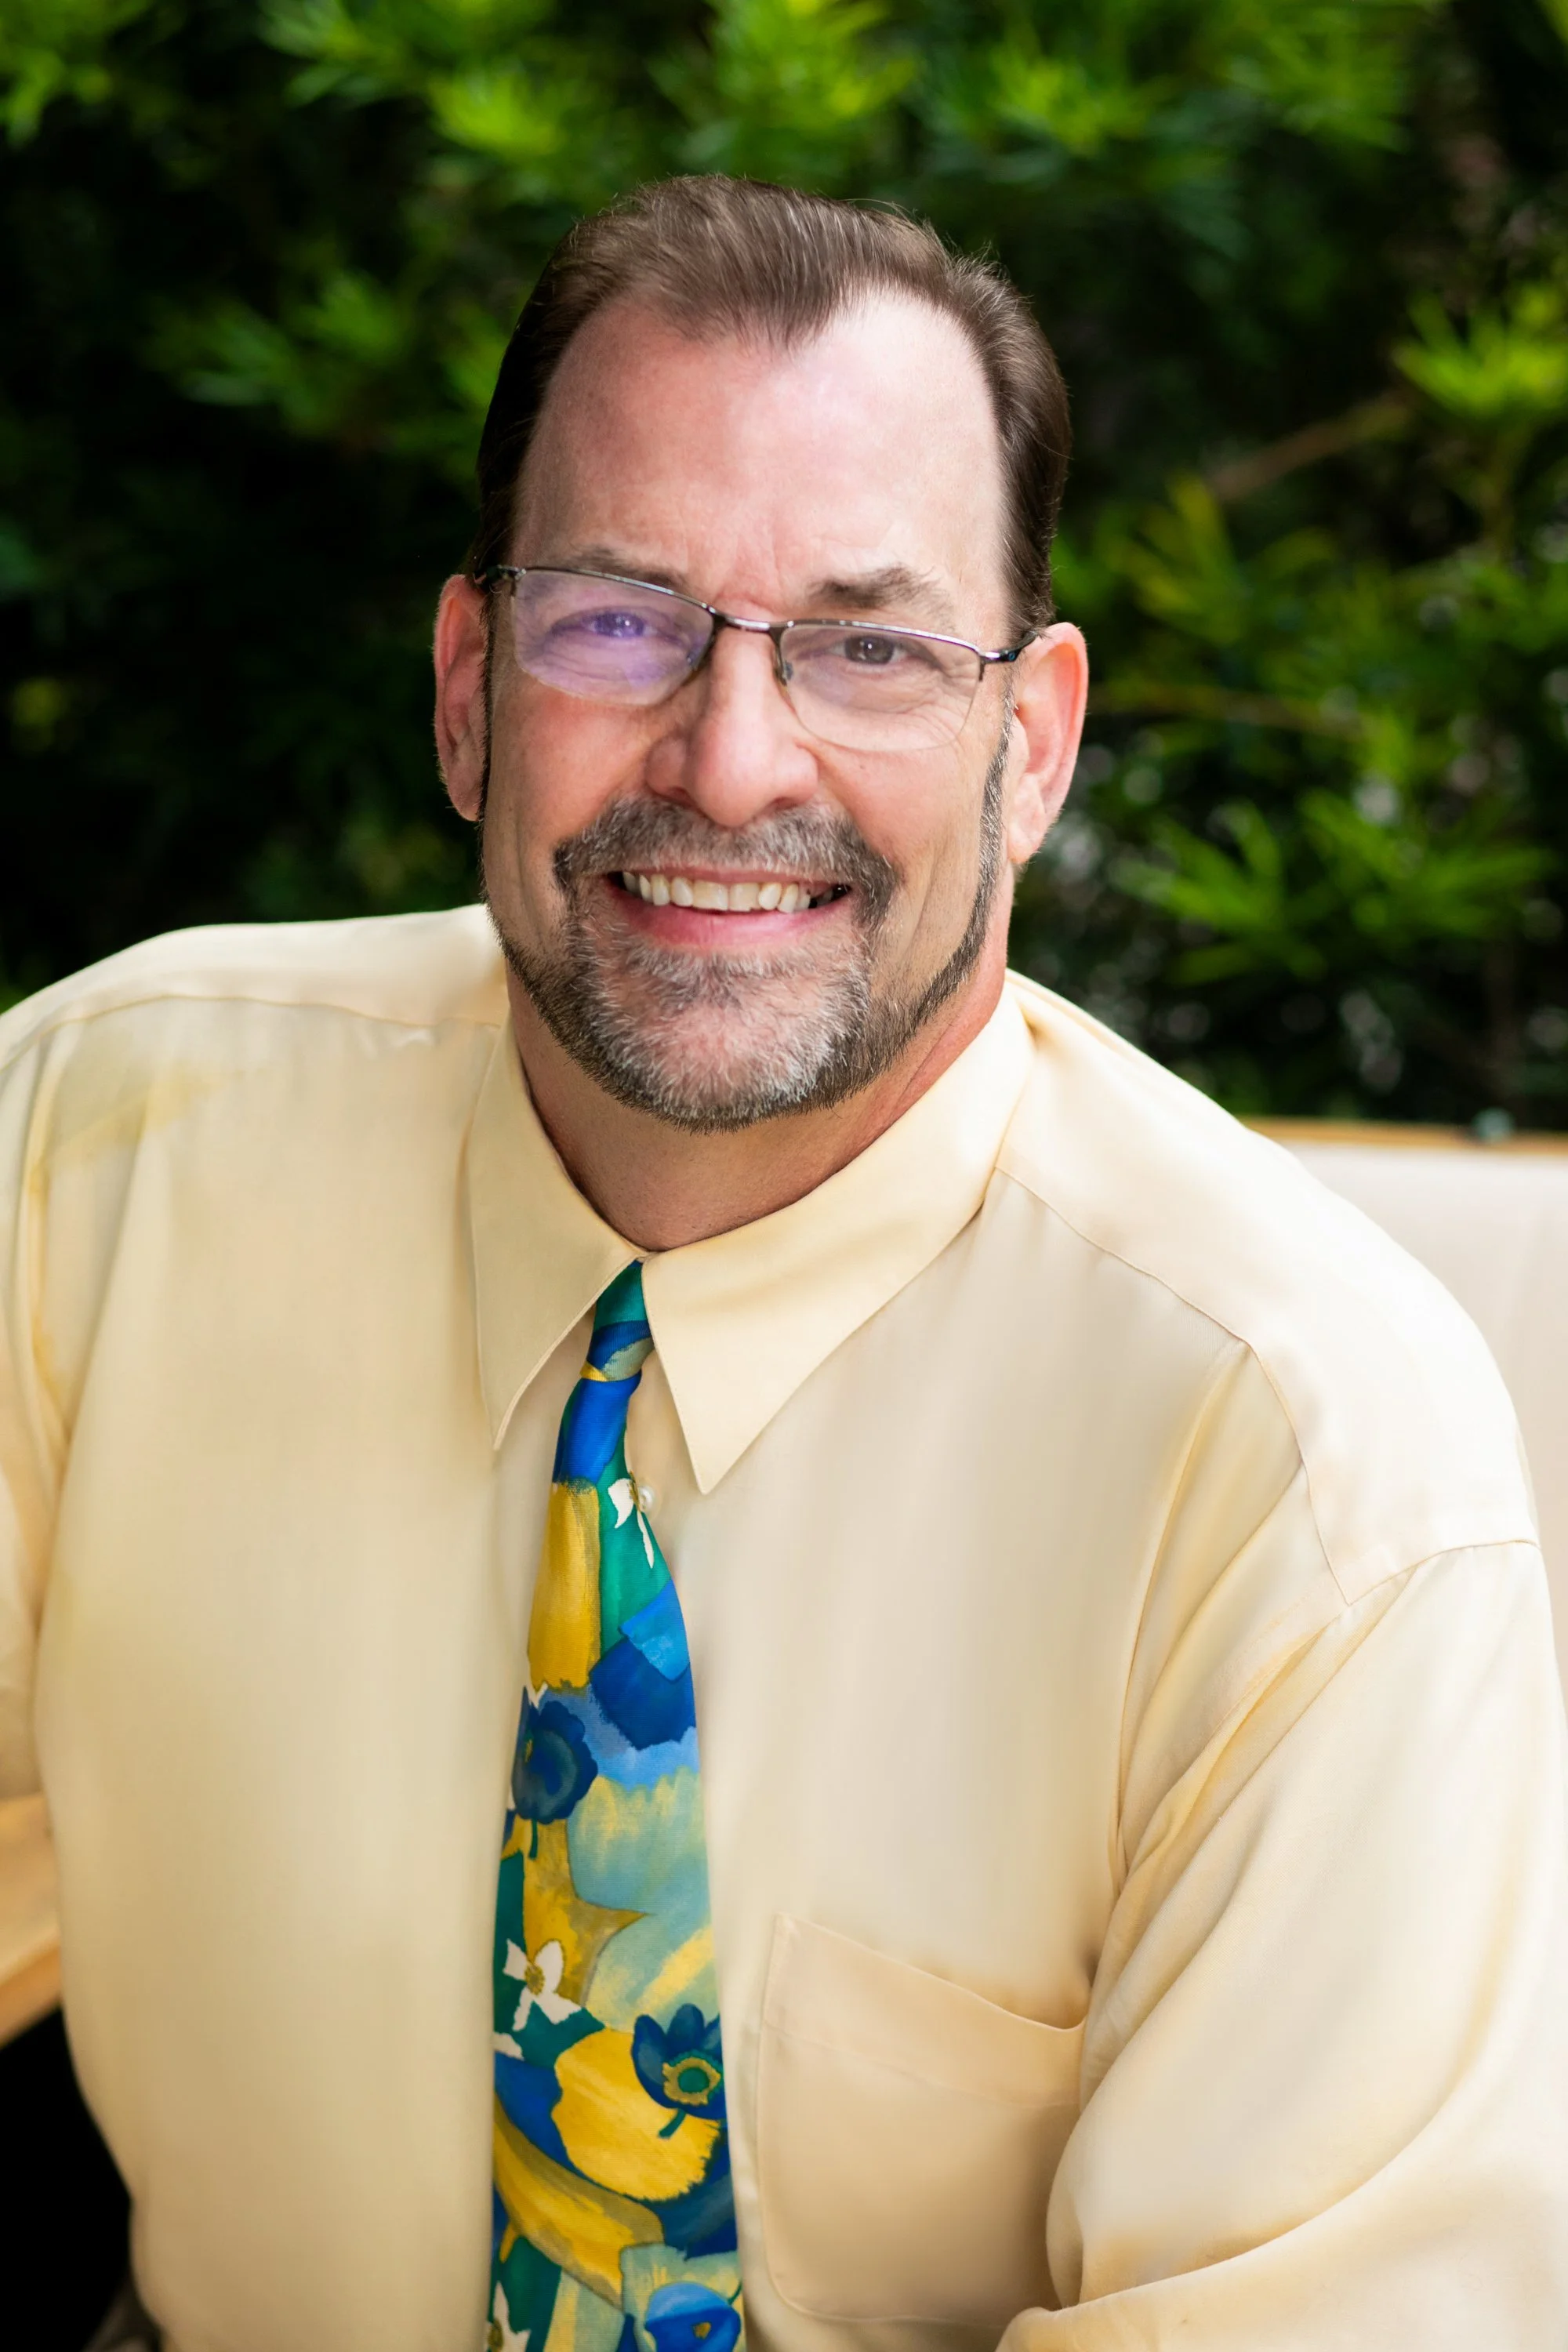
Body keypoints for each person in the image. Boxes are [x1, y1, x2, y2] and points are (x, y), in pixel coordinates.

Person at [1, 174, 1564, 2352]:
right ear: (468, 686)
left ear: (1031, 747)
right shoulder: (98, 1151)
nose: (733, 761)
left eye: (869, 646)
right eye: (620, 620)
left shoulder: (1314, 1471)